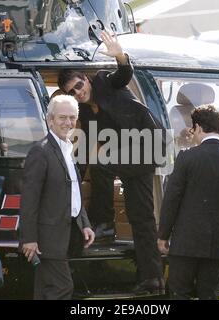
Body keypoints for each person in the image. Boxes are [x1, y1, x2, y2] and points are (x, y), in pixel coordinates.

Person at [58, 30, 165, 294]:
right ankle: (148, 275)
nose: (78, 92)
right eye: (72, 91)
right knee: (139, 215)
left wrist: (119, 55)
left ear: (87, 79)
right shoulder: (84, 112)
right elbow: (88, 147)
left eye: (79, 85)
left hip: (146, 144)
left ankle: (107, 227)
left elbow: (123, 75)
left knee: (136, 210)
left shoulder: (105, 80)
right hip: (127, 154)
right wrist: (70, 174)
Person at [157, 105, 219, 300]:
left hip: (185, 240)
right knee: (210, 294)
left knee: (180, 292)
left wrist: (163, 234)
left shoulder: (186, 157)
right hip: (218, 241)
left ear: (198, 127)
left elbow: (172, 199)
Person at [19, 95, 95, 300]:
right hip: (47, 239)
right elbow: (29, 199)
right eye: (62, 117)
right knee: (62, 288)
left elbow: (74, 195)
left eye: (72, 118)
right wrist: (29, 239)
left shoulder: (68, 150)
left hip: (66, 236)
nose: (68, 123)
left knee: (45, 290)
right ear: (50, 120)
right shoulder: (40, 151)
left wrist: (85, 223)